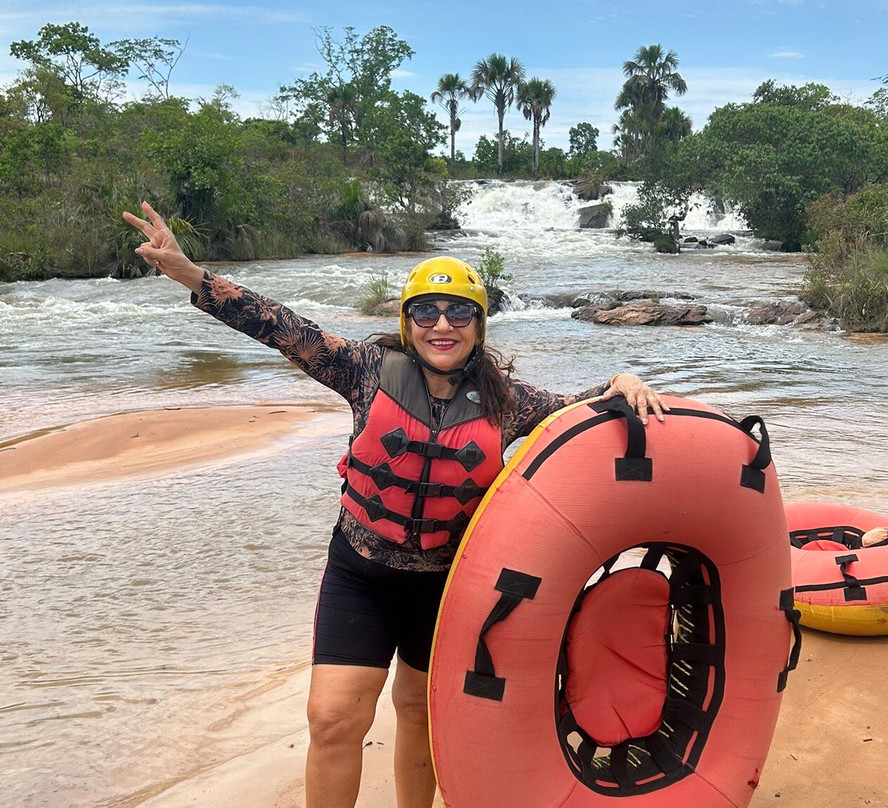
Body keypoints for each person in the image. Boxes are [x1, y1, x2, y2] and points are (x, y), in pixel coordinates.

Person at [122, 202, 668, 808]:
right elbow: (280, 324)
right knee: (332, 719)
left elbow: (581, 412)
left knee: (418, 714)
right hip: (361, 575)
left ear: (479, 325)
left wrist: (623, 380)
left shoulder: (508, 401)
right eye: (425, 311)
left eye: (459, 310)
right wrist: (194, 276)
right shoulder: (363, 369)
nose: (443, 323)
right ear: (408, 324)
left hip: (446, 586)